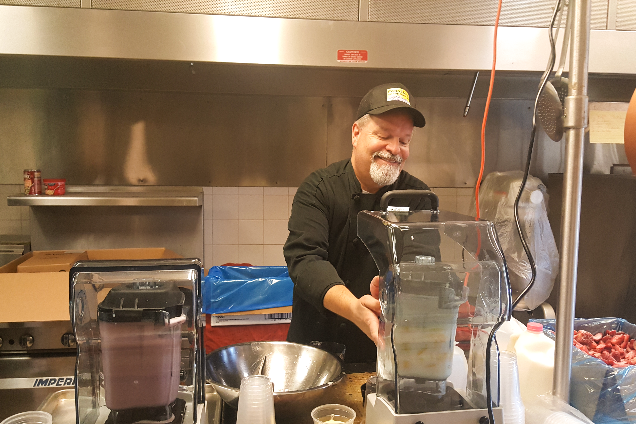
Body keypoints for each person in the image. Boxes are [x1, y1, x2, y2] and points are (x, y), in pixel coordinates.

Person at [283, 83, 437, 364]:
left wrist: (398, 294)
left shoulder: (418, 200)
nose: (394, 149)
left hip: (382, 352)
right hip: (314, 354)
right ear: (356, 133)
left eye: (404, 141)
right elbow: (305, 261)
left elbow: (422, 270)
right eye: (384, 136)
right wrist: (355, 308)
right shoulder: (319, 189)